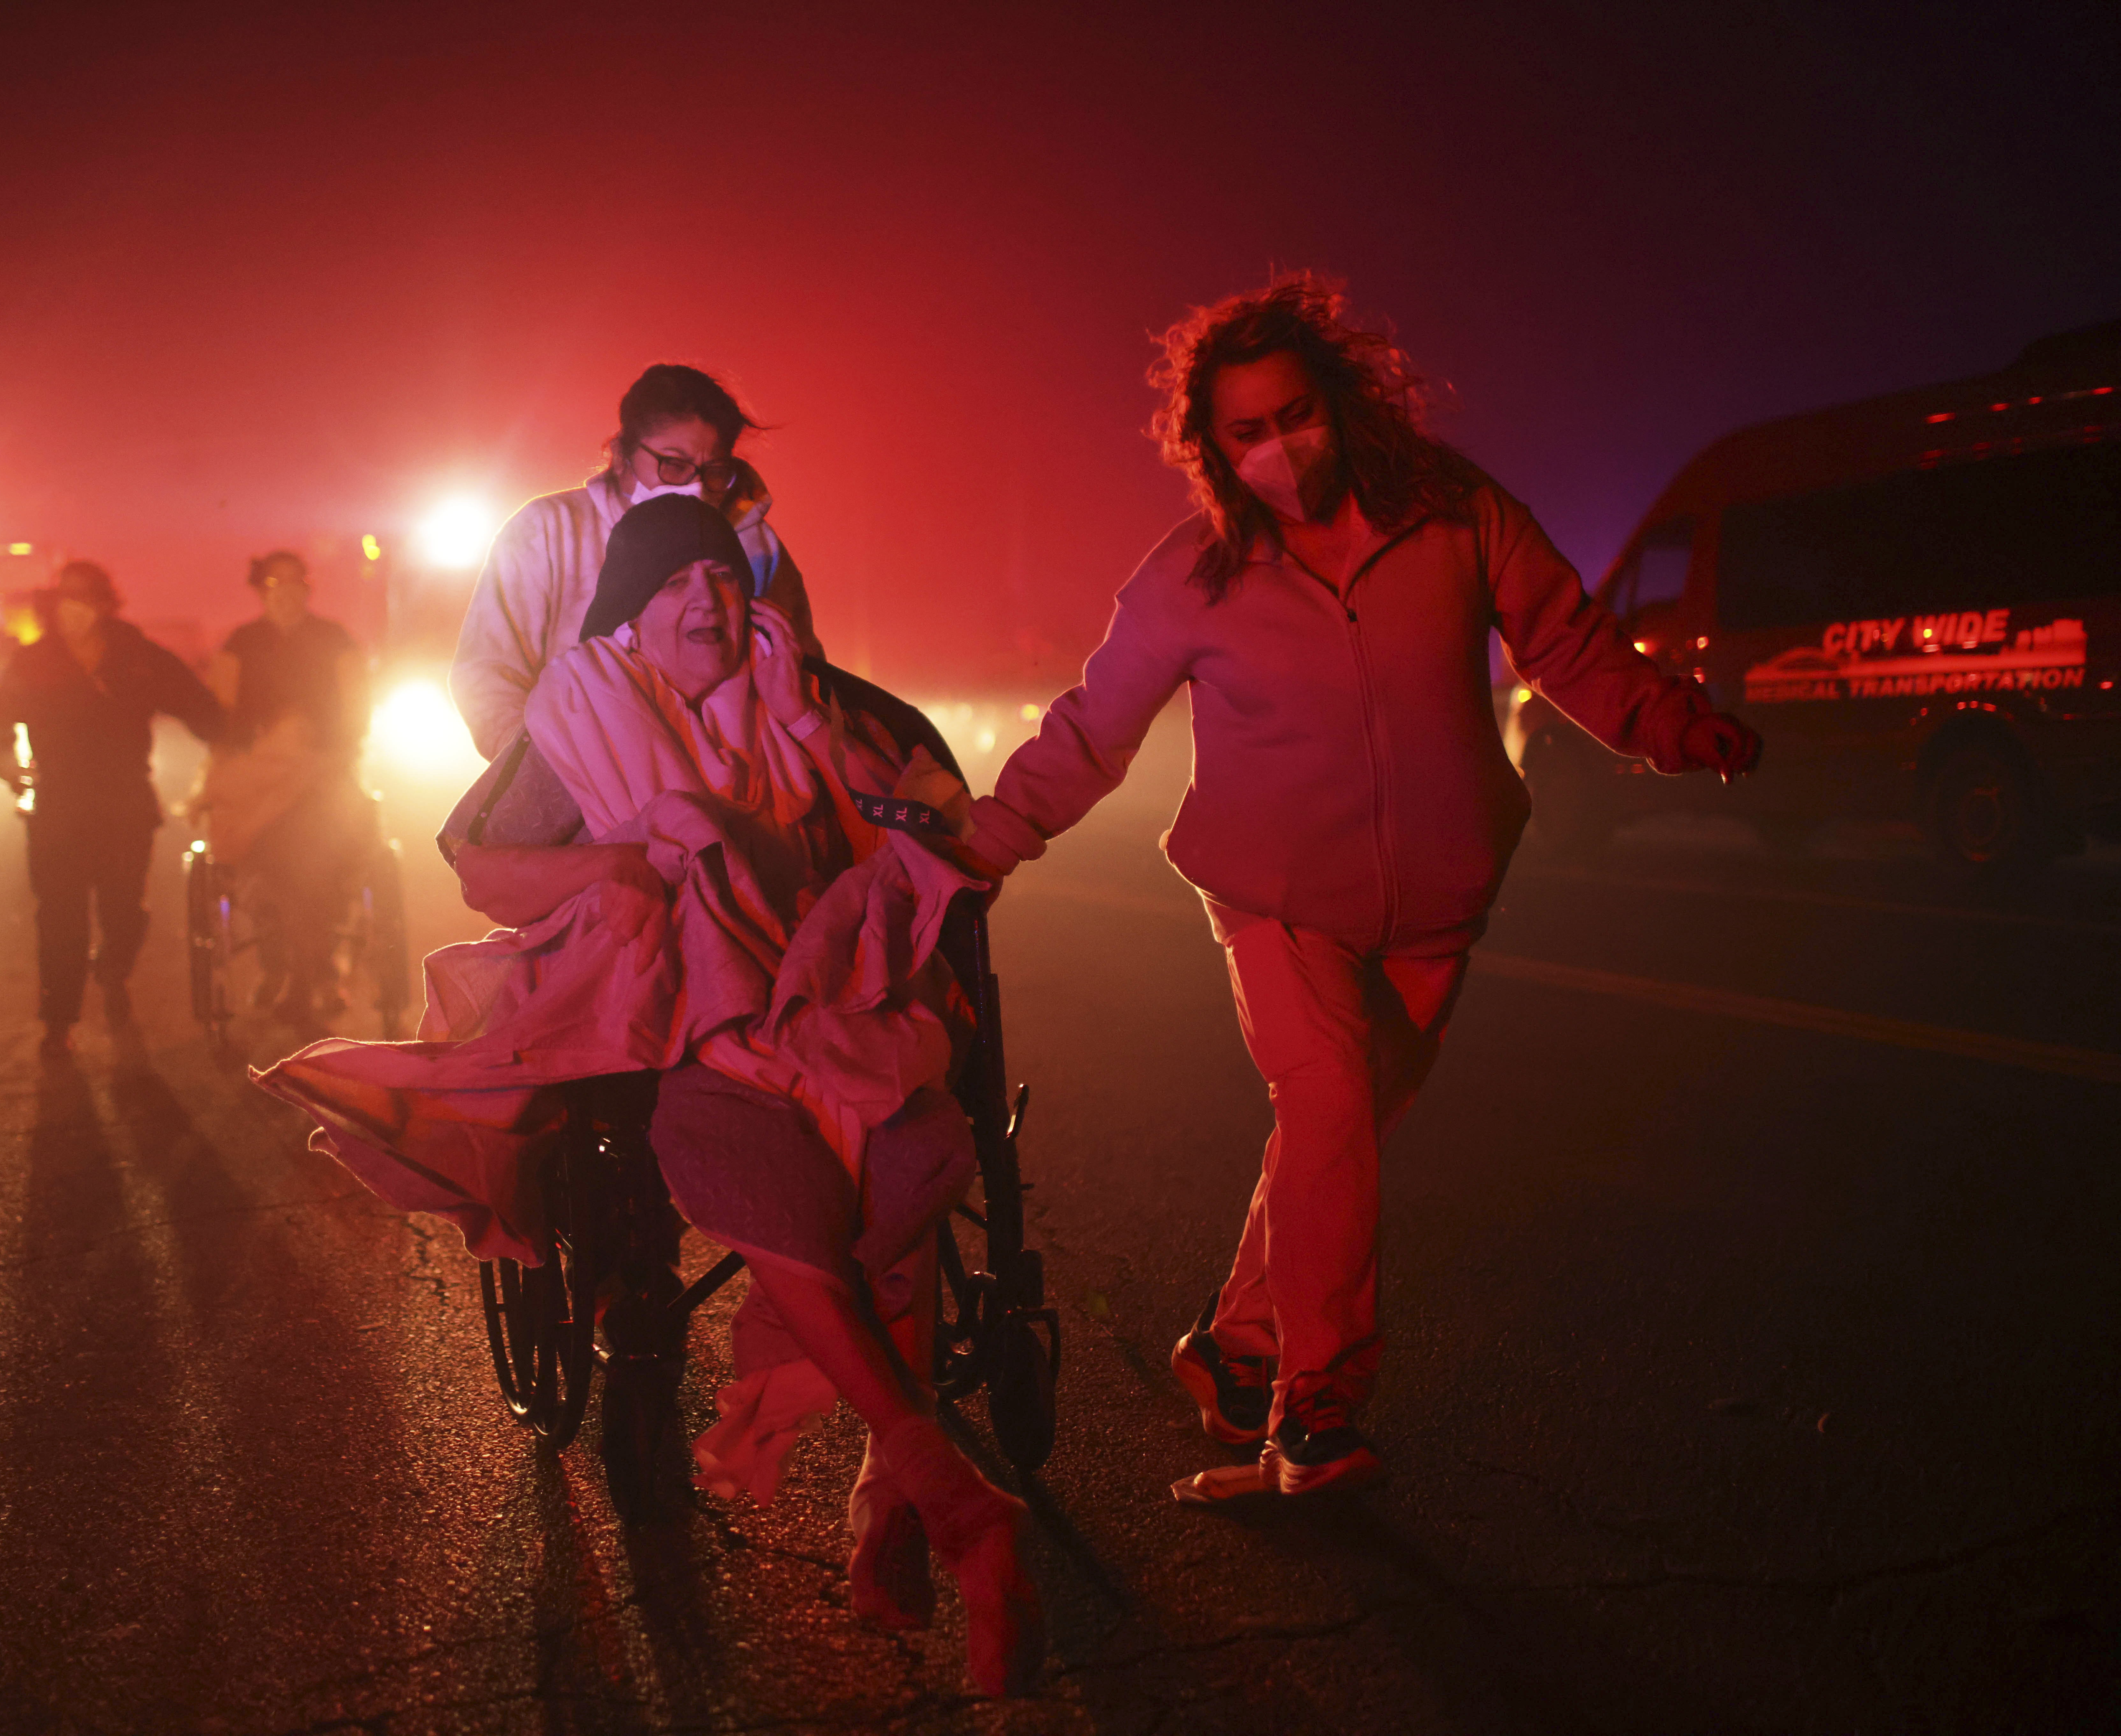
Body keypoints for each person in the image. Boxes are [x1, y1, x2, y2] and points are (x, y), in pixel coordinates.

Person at [958, 277, 1763, 1500]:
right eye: (1246, 434)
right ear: (1214, 451)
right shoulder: (1194, 573)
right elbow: (1094, 726)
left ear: (1338, 402)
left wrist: (1670, 724)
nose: (1279, 448)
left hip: (1439, 895)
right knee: (1326, 1103)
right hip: (1271, 893)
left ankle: (1232, 1350)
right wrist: (989, 836)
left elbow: (1561, 638)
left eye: (1295, 415)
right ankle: (1313, 1412)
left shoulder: (1453, 511)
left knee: (1333, 1139)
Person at [260, 498, 1041, 1696]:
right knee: (741, 1151)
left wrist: (803, 734)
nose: (710, 603)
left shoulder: (819, 703)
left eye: (727, 582)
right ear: (630, 603)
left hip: (838, 1007)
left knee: (905, 1143)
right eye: (678, 584)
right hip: (683, 1032)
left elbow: (935, 835)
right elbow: (480, 863)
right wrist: (642, 850)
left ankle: (903, 1481)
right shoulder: (580, 711)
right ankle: (937, 1486)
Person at [450, 362, 823, 757]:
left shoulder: (757, 547)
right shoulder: (548, 531)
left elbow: (804, 674)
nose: (694, 488)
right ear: (621, 457)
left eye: (713, 472)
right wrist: (559, 780)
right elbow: (488, 677)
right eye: (673, 465)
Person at [0, 559, 225, 1060]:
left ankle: (113, 971)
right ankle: (58, 1022)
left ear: (103, 605)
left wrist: (240, 738)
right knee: (59, 919)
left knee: (124, 914)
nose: (73, 612)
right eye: (65, 602)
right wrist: (7, 766)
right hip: (58, 809)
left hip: (126, 807)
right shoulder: (35, 662)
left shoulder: (136, 656)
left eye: (85, 602)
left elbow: (198, 706)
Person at [199, 550, 371, 1024]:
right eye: (277, 587)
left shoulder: (335, 640)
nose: (287, 596)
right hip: (262, 779)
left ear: (308, 591)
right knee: (268, 871)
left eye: (296, 586)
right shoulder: (242, 643)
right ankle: (291, 969)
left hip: (324, 776)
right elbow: (223, 711)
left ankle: (311, 973)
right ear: (262, 593)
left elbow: (358, 708)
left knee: (324, 865)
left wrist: (328, 751)